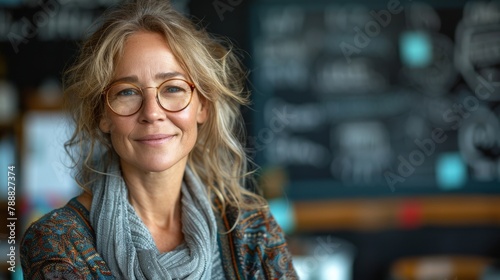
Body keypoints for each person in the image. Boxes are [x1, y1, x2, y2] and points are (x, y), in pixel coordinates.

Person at [20, 0, 298, 279]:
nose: (152, 113)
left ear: (202, 105)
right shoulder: (56, 242)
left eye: (173, 88)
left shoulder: (251, 230)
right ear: (102, 114)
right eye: (127, 92)